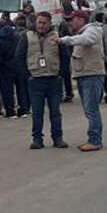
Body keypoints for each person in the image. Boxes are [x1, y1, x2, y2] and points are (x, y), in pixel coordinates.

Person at [57, 10, 106, 151]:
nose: (70, 23)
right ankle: (93, 139)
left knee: (91, 110)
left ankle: (95, 140)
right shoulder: (84, 32)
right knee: (89, 110)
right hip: (85, 74)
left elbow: (87, 40)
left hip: (91, 75)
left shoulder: (92, 30)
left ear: (80, 20)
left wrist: (64, 40)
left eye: (72, 20)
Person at [24, 12, 66, 150]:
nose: (41, 25)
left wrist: (61, 74)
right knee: (37, 112)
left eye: (44, 23)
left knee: (55, 111)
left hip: (53, 79)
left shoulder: (56, 37)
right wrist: (27, 75)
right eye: (39, 22)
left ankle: (58, 138)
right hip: (35, 80)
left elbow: (64, 56)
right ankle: (37, 139)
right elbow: (19, 56)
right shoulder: (27, 37)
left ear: (49, 23)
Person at [0, 15, 21, 117]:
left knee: (6, 90)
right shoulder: (16, 37)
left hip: (4, 68)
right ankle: (22, 108)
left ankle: (10, 110)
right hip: (16, 65)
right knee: (20, 88)